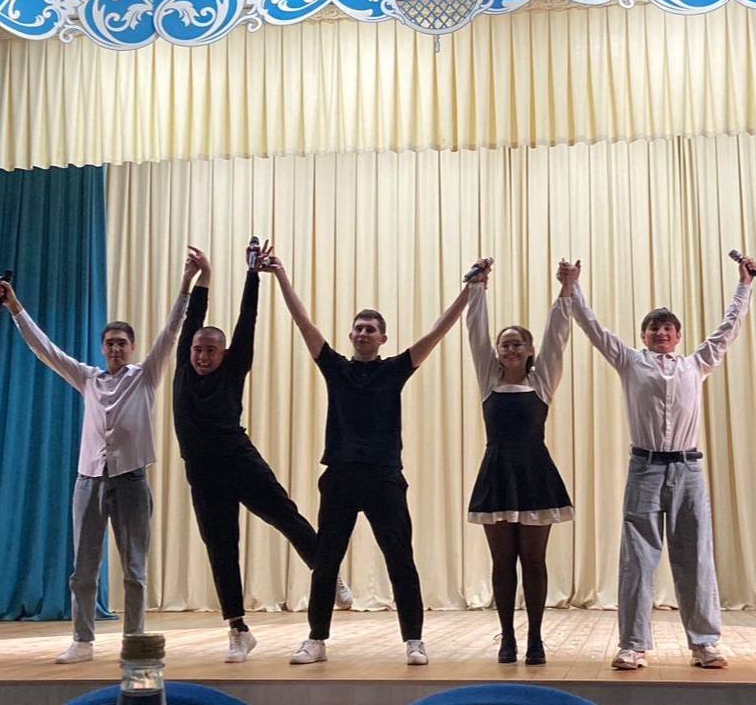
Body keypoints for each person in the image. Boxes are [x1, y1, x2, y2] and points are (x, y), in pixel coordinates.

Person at [261, 252, 471, 666]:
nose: (362, 333)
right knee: (325, 562)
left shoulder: (395, 369)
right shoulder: (335, 367)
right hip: (339, 476)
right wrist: (281, 275)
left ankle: (414, 640)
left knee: (400, 559)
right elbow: (303, 323)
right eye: (358, 328)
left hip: (384, 477)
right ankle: (316, 639)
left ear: (382, 339)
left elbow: (438, 331)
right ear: (351, 335)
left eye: (370, 329)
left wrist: (470, 290)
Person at [0, 256, 194, 664]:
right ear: (103, 348)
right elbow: (46, 350)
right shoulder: (88, 378)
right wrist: (15, 308)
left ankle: (133, 640)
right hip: (88, 480)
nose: (116, 348)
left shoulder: (145, 376)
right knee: (83, 568)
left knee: (134, 569)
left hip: (131, 480)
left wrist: (187, 281)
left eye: (122, 343)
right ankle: (82, 640)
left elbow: (172, 332)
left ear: (132, 348)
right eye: (110, 343)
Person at [567, 255, 756, 670]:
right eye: (654, 328)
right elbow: (593, 328)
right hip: (646, 468)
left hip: (689, 469)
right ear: (644, 335)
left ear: (678, 336)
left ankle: (704, 643)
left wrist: (744, 285)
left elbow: (729, 328)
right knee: (638, 558)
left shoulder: (696, 364)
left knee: (696, 556)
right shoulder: (629, 361)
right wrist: (572, 288)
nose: (661, 333)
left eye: (668, 328)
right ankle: (632, 645)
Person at [172, 245, 351, 664]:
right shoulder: (183, 364)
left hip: (239, 460)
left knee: (286, 515)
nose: (202, 356)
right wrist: (202, 277)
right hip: (202, 474)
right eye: (197, 349)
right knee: (221, 548)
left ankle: (327, 573)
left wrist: (253, 275)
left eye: (210, 350)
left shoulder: (234, 367)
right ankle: (238, 630)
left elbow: (247, 321)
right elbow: (192, 317)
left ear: (224, 354)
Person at [464, 258, 577, 665]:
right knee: (501, 562)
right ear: (497, 352)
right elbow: (475, 332)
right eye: (505, 344)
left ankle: (535, 638)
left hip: (534, 475)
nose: (510, 349)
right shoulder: (488, 380)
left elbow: (558, 335)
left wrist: (566, 290)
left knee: (533, 560)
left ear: (530, 351)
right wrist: (477, 288)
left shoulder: (541, 381)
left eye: (518, 343)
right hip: (496, 475)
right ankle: (507, 637)